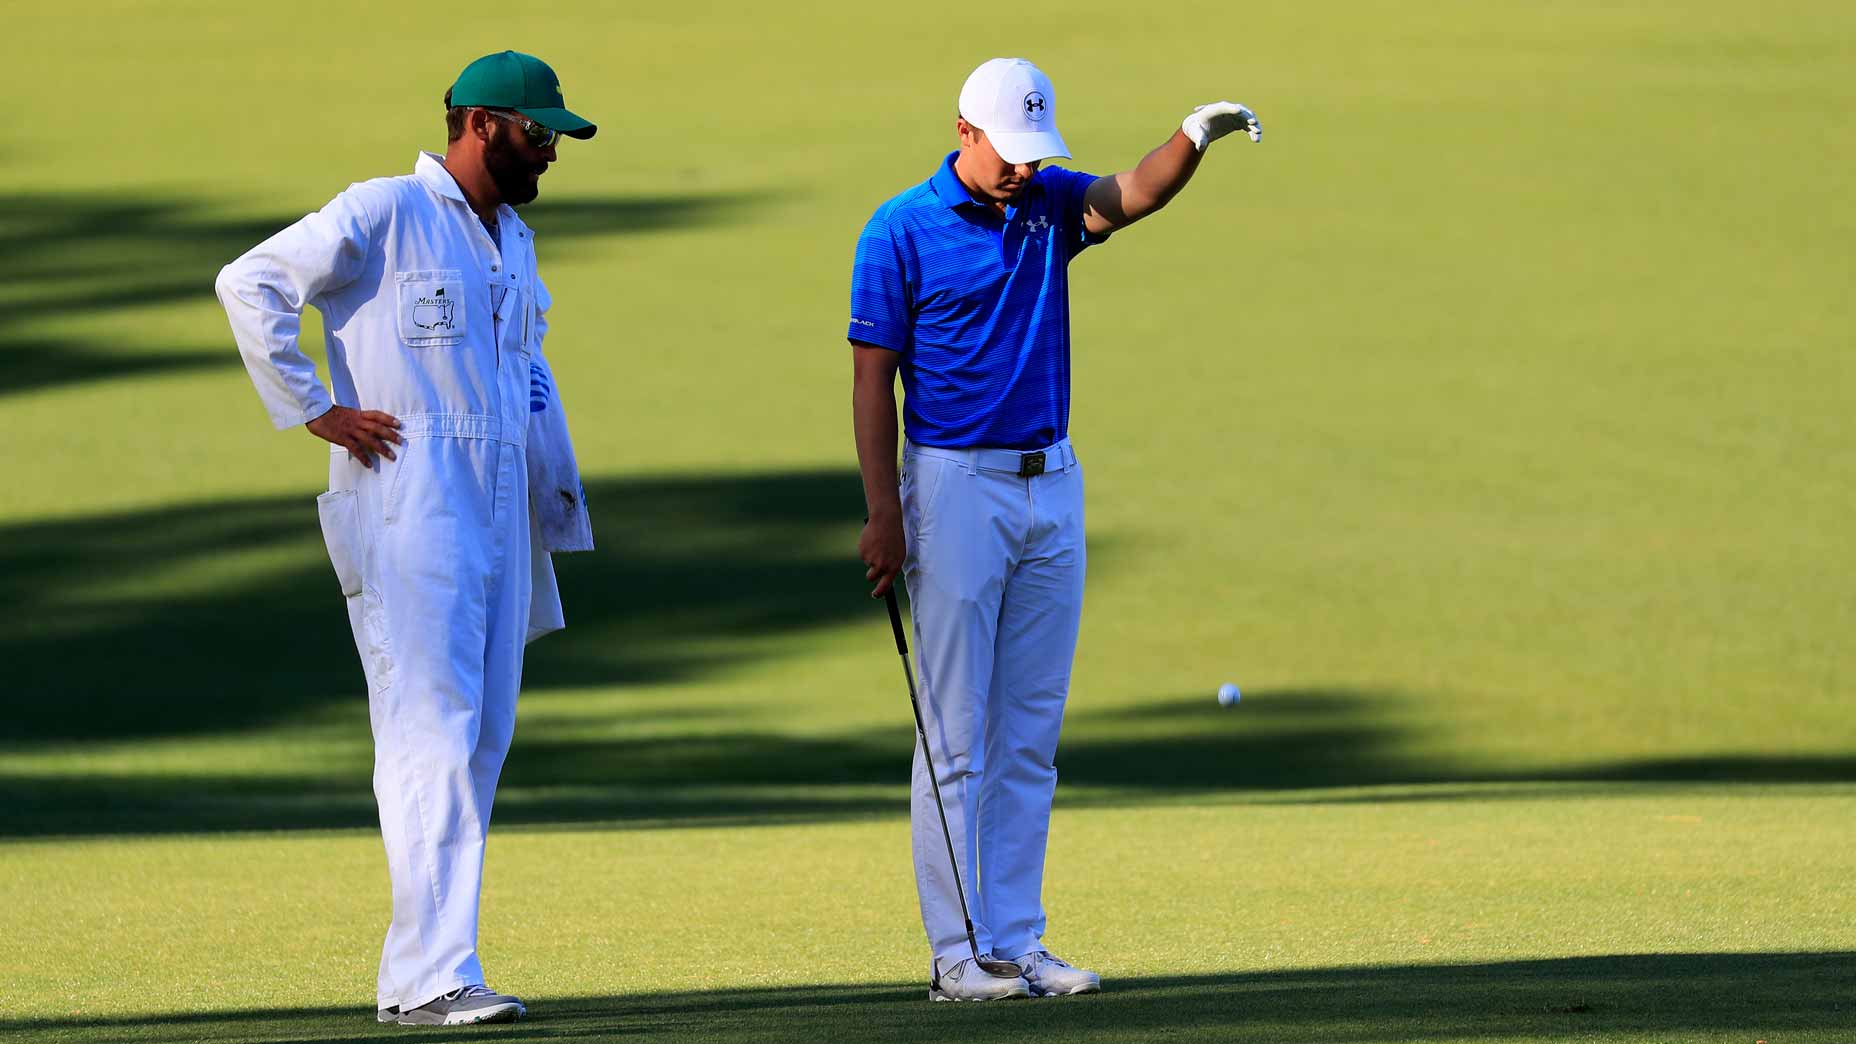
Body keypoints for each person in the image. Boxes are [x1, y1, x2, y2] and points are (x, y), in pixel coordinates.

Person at [848, 58, 1261, 1001]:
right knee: (955, 734)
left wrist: (1193, 136)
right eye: (1009, 151)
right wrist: (883, 511)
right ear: (965, 129)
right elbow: (873, 377)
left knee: (1029, 730)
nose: (1023, 170)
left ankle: (1017, 938)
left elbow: (1133, 192)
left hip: (1052, 482)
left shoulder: (1046, 204)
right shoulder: (898, 230)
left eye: (1037, 153)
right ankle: (957, 956)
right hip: (952, 487)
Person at [215, 50, 597, 1027]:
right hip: (409, 492)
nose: (549, 151)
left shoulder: (512, 239)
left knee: (481, 733)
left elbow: (526, 373)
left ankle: (429, 972)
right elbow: (249, 281)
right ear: (479, 125)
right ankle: (430, 975)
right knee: (429, 726)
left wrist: (555, 497)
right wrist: (313, 408)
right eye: (537, 131)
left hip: (501, 498)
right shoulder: (385, 211)